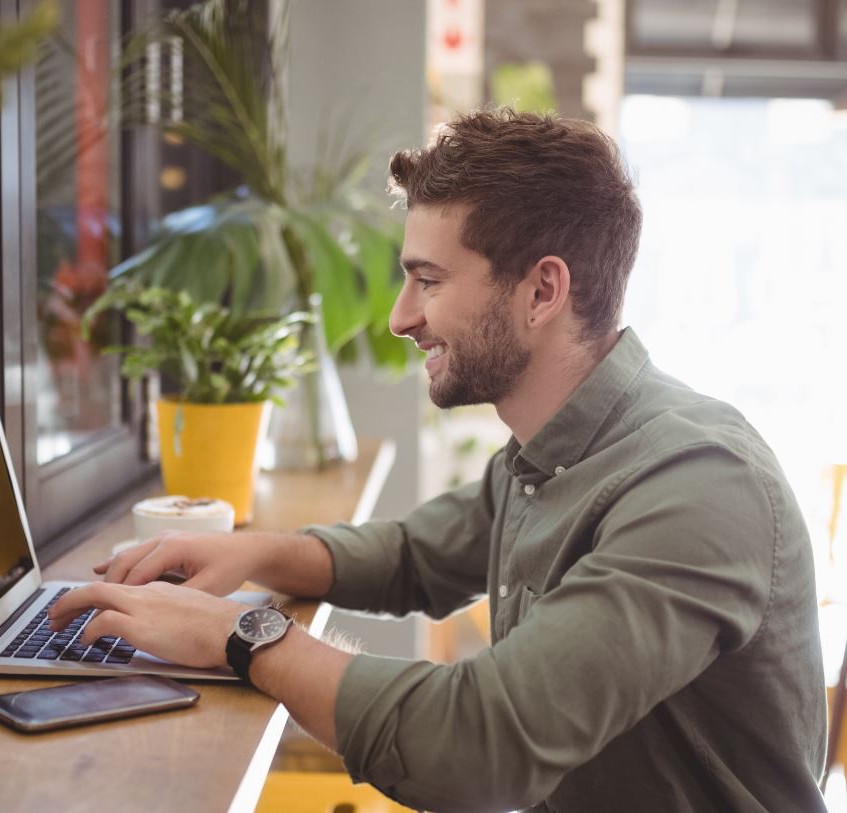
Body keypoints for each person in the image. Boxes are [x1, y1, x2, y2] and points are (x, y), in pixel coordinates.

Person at [49, 108, 827, 812]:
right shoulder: (552, 449)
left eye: (428, 280)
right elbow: (416, 555)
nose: (398, 318)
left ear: (540, 291)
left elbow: (478, 747)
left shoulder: (696, 485)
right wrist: (248, 552)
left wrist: (241, 633)